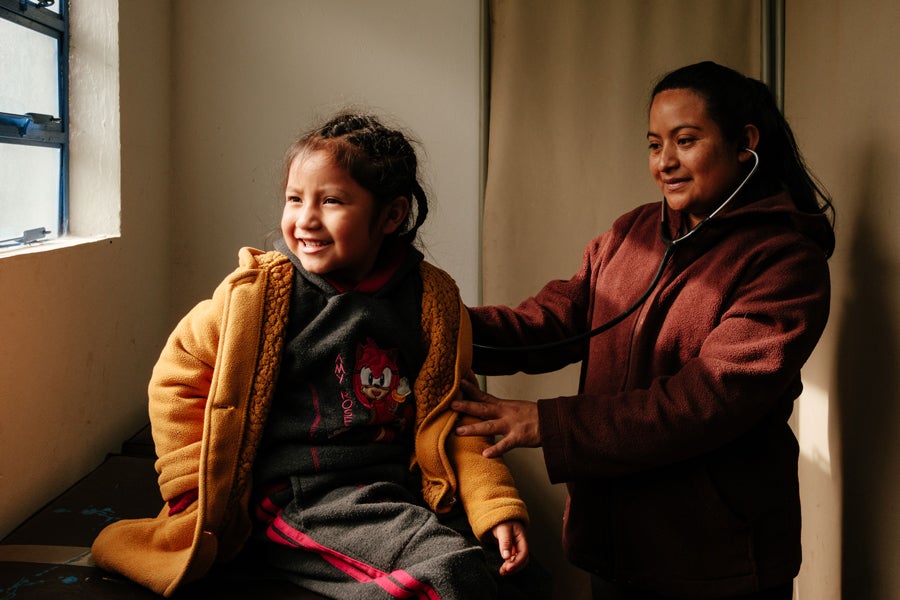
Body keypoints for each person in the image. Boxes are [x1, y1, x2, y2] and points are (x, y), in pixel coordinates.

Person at [91, 112, 531, 600]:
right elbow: (177, 375)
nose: (305, 219)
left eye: (333, 200)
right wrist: (192, 487)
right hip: (300, 495)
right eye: (295, 199)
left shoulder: (430, 300)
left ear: (391, 216)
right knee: (447, 573)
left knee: (505, 570)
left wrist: (496, 505)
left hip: (394, 488)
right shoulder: (259, 296)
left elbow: (451, 417)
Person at [452, 61, 835, 600]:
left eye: (686, 140)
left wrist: (548, 422)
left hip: (715, 563)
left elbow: (704, 400)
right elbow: (553, 321)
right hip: (612, 547)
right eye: (654, 144)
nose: (665, 162)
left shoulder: (785, 262)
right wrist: (436, 319)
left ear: (744, 143)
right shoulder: (632, 232)